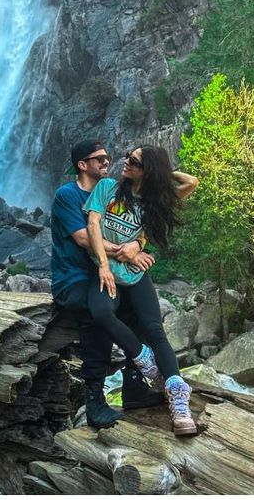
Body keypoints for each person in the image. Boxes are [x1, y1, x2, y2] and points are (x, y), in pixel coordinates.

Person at [84, 145, 200, 435]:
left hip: (135, 276)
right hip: (108, 272)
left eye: (134, 162)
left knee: (155, 329)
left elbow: (191, 183)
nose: (126, 162)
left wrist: (139, 243)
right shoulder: (108, 188)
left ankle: (179, 402)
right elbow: (93, 224)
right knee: (100, 311)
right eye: (128, 156)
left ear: (148, 171)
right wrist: (103, 264)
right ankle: (143, 358)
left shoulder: (153, 201)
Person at [50, 140, 164, 429]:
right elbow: (83, 238)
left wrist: (137, 245)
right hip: (73, 277)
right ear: (82, 165)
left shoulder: (111, 190)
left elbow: (140, 221)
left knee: (135, 311)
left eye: (106, 157)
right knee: (94, 315)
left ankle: (135, 386)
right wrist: (127, 252)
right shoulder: (67, 195)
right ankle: (95, 401)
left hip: (104, 272)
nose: (106, 162)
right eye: (99, 158)